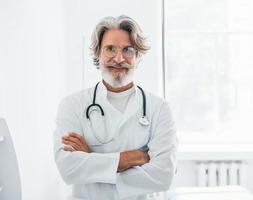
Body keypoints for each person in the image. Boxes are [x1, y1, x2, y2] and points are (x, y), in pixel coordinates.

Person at [53, 15, 178, 200]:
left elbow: (164, 175)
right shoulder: (72, 105)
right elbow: (68, 169)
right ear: (98, 53)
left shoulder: (160, 108)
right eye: (110, 49)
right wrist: (136, 157)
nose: (119, 59)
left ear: (137, 56)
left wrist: (92, 159)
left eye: (127, 50)